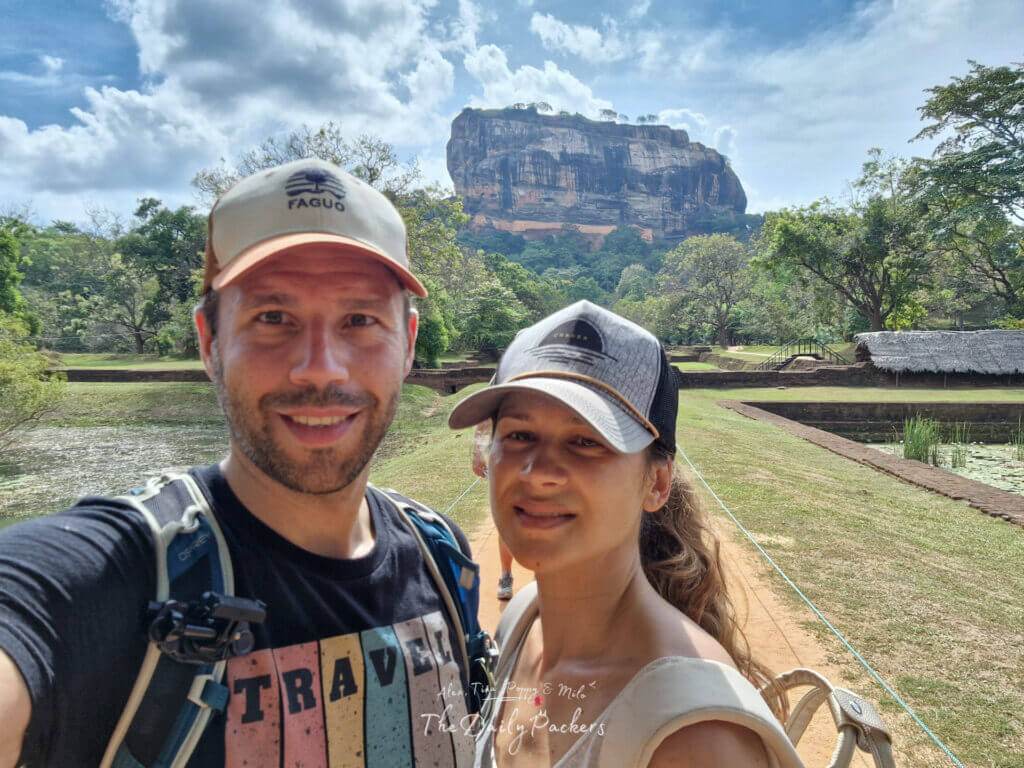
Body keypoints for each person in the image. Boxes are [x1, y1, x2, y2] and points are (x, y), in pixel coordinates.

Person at [0, 159, 477, 767]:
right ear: (209, 342)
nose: (320, 367)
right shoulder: (107, 577)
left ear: (408, 345)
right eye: (273, 318)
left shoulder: (441, 557)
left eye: (360, 319)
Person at [448, 301, 804, 767]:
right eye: (519, 435)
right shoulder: (522, 619)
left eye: (586, 441)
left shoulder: (697, 739)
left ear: (656, 483)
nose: (538, 473)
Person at [472, 421, 516, 599]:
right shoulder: (501, 394)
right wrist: (477, 453)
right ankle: (506, 575)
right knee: (506, 522)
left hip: (537, 463)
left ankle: (541, 573)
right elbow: (483, 422)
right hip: (503, 464)